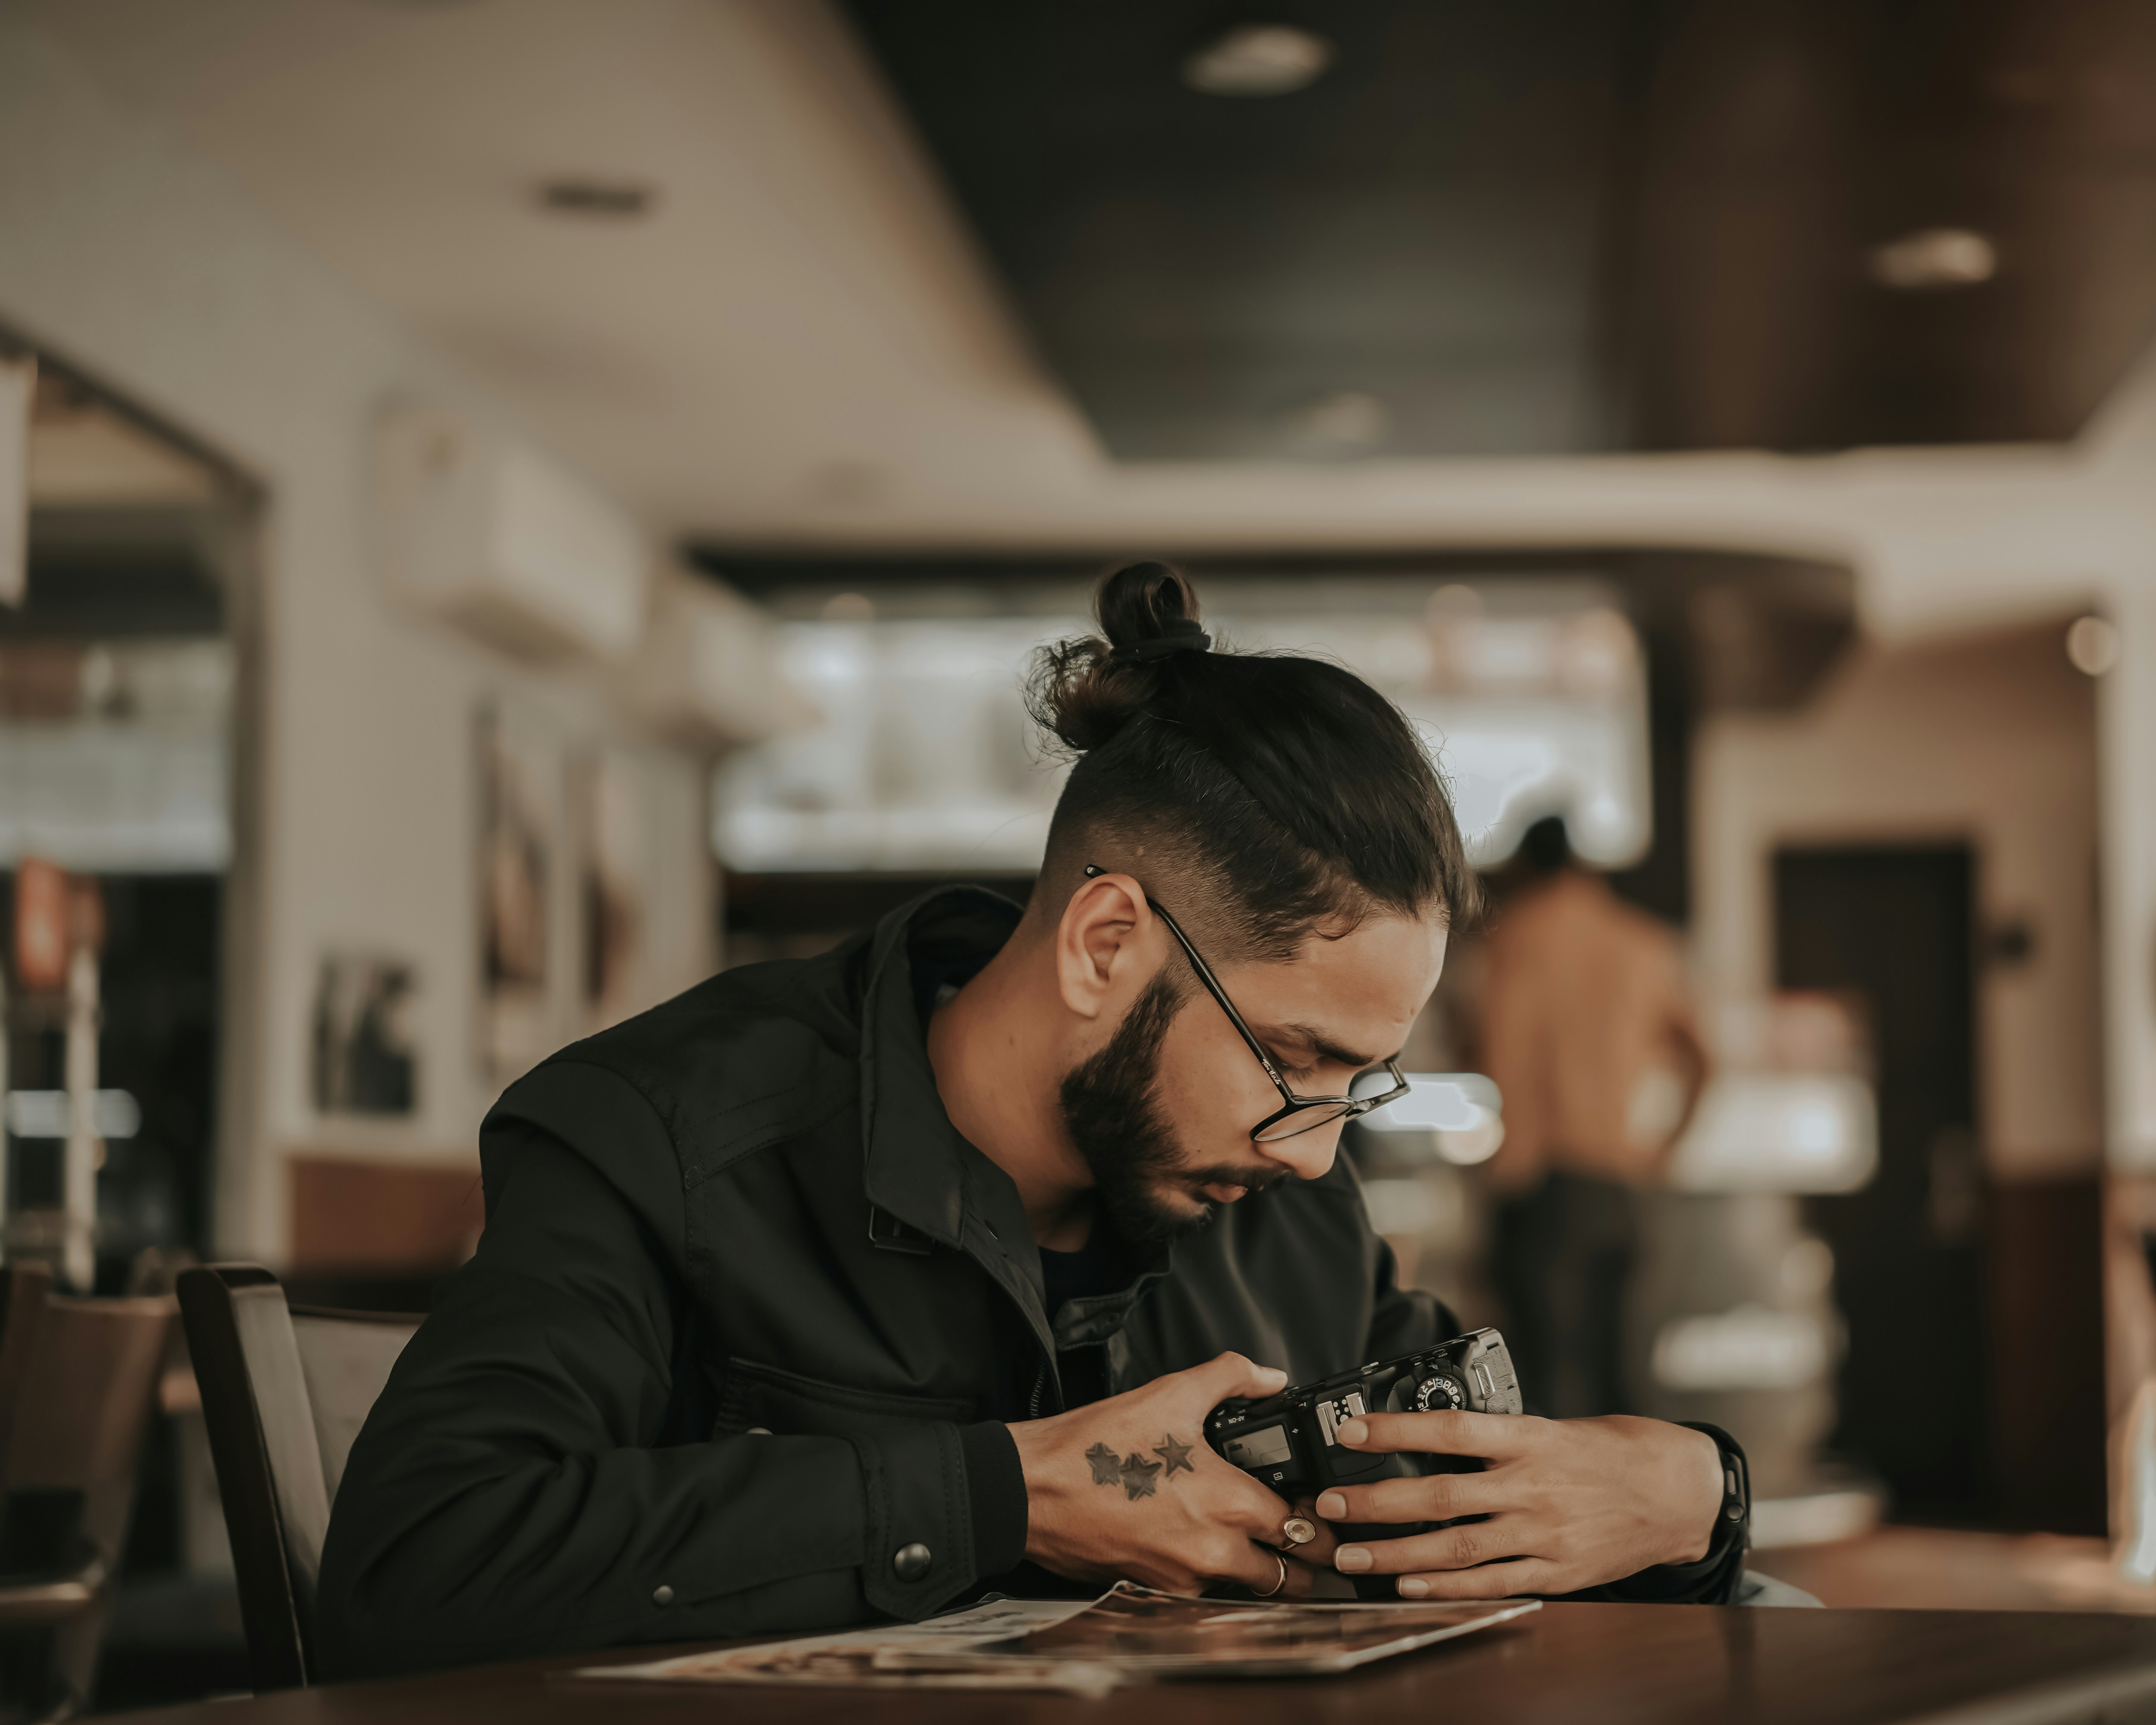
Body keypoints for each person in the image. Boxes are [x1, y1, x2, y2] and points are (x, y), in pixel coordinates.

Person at [317, 564, 1747, 1679]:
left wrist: (1689, 1495)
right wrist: (1013, 1493)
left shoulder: (1290, 1191)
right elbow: (411, 1577)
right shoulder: (667, 1138)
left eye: (1358, 1083)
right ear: (1105, 942)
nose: (1317, 1147)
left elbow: (1466, 1516)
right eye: (1295, 1060)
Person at [1479, 815, 1711, 1418]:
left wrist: (1501, 1170)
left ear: (1526, 868)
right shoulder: (1643, 942)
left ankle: (1547, 1515)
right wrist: (1665, 1150)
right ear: (1585, 867)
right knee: (1621, 1379)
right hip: (1622, 1180)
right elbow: (1708, 1059)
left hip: (1544, 1180)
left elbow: (1502, 1049)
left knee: (1540, 1383)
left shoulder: (1520, 935)